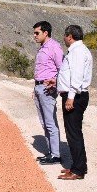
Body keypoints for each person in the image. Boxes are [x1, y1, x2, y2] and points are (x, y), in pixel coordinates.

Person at [51, 25, 93, 180]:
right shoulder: (79, 50)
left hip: (75, 96)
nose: (64, 38)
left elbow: (76, 76)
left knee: (73, 133)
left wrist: (70, 97)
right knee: (74, 133)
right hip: (75, 95)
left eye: (64, 35)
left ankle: (78, 171)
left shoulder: (78, 52)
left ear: (69, 36)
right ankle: (79, 166)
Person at [31, 21, 64, 165]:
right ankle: (51, 153)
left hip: (48, 88)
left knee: (50, 123)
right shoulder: (42, 48)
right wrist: (35, 88)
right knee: (44, 122)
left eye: (37, 33)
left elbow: (62, 69)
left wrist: (55, 83)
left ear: (46, 33)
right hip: (39, 87)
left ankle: (56, 155)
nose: (34, 36)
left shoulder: (54, 47)